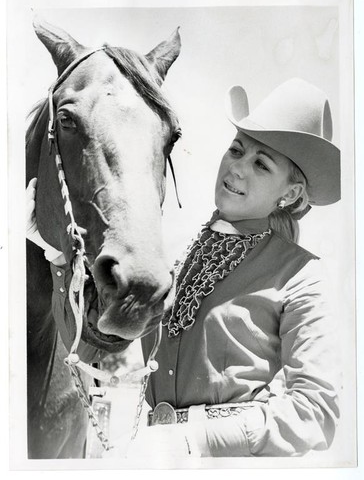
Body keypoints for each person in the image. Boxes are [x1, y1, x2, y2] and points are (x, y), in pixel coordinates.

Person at [27, 77, 341, 457]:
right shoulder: (171, 257)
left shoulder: (302, 275)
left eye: (261, 164)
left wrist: (198, 440)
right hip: (152, 461)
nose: (237, 168)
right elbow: (94, 348)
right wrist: (58, 258)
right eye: (236, 149)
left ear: (289, 194)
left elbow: (316, 411)